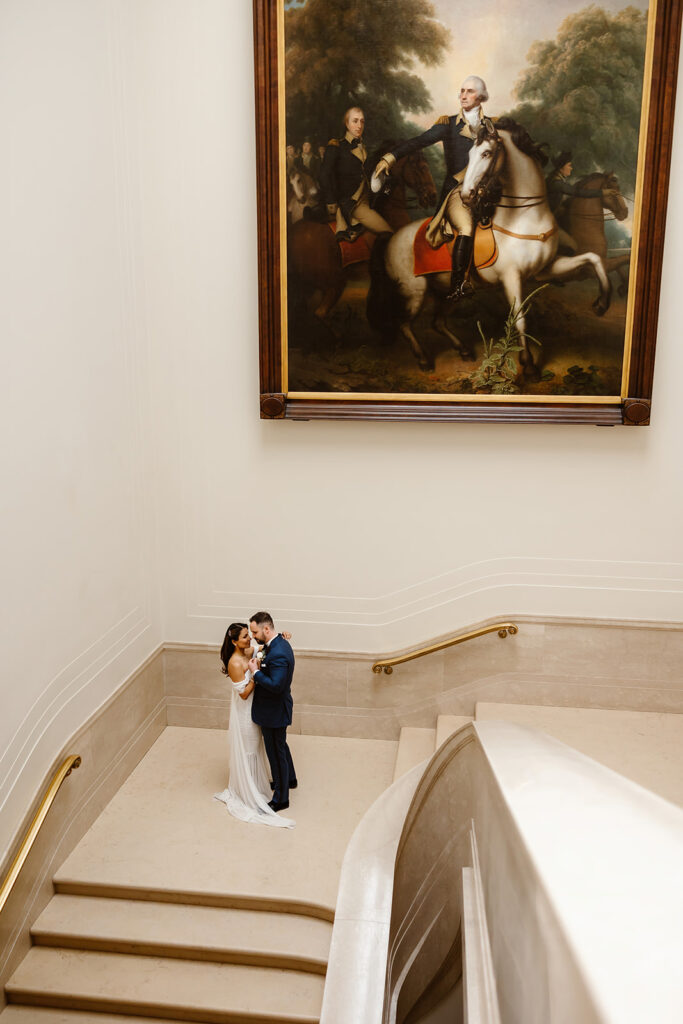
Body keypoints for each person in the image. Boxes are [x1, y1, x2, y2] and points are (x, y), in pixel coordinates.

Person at [374, 75, 491, 301]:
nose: (463, 95)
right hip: (457, 192)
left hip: (485, 191)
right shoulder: (448, 125)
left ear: (481, 97)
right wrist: (391, 157)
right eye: (462, 90)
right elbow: (419, 141)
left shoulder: (490, 125)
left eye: (469, 91)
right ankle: (458, 285)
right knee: (466, 227)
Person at [213, 622, 294, 828]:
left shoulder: (249, 649)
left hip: (257, 709)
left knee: (262, 748)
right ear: (233, 642)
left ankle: (260, 785)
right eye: (244, 637)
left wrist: (282, 636)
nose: (249, 639)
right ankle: (247, 790)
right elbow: (243, 693)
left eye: (249, 634)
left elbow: (264, 647)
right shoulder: (234, 663)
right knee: (250, 749)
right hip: (245, 712)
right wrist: (256, 674)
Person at [320, 106, 393, 242]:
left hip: (368, 198)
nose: (359, 125)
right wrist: (331, 201)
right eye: (355, 121)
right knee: (388, 232)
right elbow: (324, 175)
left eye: (362, 121)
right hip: (352, 203)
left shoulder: (363, 147)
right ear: (347, 124)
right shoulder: (336, 146)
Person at [248, 611, 298, 812]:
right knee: (281, 746)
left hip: (274, 712)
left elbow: (276, 685)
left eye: (255, 632)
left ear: (266, 629)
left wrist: (256, 673)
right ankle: (290, 779)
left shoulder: (278, 652)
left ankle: (281, 798)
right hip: (275, 710)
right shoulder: (277, 644)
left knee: (275, 753)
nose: (253, 636)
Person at [545, 150, 618, 252]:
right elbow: (578, 192)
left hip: (551, 218)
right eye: (569, 165)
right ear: (561, 168)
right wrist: (602, 192)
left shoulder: (555, 180)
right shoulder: (557, 183)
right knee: (572, 246)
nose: (571, 168)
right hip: (547, 222)